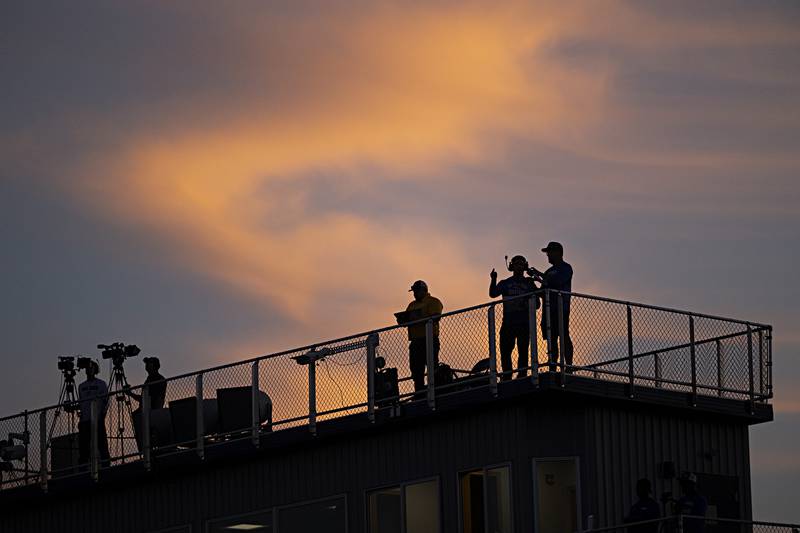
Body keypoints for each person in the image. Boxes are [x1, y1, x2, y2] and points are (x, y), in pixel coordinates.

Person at [489, 255, 538, 380]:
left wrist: (526, 301)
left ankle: (522, 375)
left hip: (523, 322)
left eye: (521, 264)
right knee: (505, 350)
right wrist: (493, 279)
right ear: (512, 266)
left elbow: (537, 304)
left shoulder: (529, 283)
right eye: (517, 264)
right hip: (508, 322)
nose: (519, 267)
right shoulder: (505, 283)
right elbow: (493, 294)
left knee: (523, 350)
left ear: (525, 266)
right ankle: (507, 375)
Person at [529, 241, 573, 372]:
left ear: (558, 252)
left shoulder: (566, 268)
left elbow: (557, 282)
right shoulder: (549, 271)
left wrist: (540, 276)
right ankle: (553, 365)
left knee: (564, 335)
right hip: (548, 311)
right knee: (552, 338)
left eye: (549, 252)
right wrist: (533, 284)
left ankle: (568, 366)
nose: (547, 255)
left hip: (561, 308)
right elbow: (544, 291)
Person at [397, 280, 443, 395]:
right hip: (416, 341)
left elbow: (436, 317)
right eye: (414, 292)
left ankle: (435, 391)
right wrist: (402, 319)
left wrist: (418, 317)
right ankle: (419, 394)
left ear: (424, 290)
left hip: (429, 339)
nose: (414, 294)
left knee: (432, 367)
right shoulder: (412, 305)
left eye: (416, 291)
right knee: (416, 370)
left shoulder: (434, 301)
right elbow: (406, 320)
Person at [77, 360, 110, 466]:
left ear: (95, 370)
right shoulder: (81, 386)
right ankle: (83, 468)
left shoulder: (101, 384)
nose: (89, 370)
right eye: (87, 368)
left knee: (102, 445)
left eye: (91, 368)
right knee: (84, 447)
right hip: (85, 420)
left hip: (98, 419)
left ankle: (106, 466)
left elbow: (106, 402)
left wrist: (102, 416)